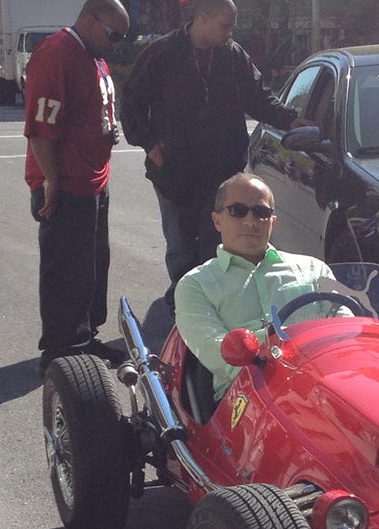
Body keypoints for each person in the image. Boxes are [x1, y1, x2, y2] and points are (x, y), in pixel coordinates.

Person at [119, 0, 312, 315]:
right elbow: (132, 102)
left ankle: (219, 305)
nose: (229, 33)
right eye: (225, 26)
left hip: (221, 173)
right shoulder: (162, 53)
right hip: (173, 170)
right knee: (181, 246)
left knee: (218, 244)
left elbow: (259, 97)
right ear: (203, 18)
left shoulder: (233, 56)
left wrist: (290, 120)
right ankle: (185, 307)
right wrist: (148, 142)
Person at [25, 0, 132, 373]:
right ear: (89, 20)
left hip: (93, 180)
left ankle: (85, 338)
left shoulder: (94, 55)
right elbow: (41, 128)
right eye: (113, 34)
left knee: (92, 266)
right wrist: (51, 181)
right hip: (65, 183)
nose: (116, 43)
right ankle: (59, 349)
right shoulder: (57, 53)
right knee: (65, 269)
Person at [174, 173, 338, 401]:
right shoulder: (195, 285)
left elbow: (346, 327)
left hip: (326, 382)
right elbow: (219, 354)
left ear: (272, 222)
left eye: (261, 213)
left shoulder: (314, 269)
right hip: (247, 398)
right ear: (217, 220)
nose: (250, 221)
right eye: (237, 210)